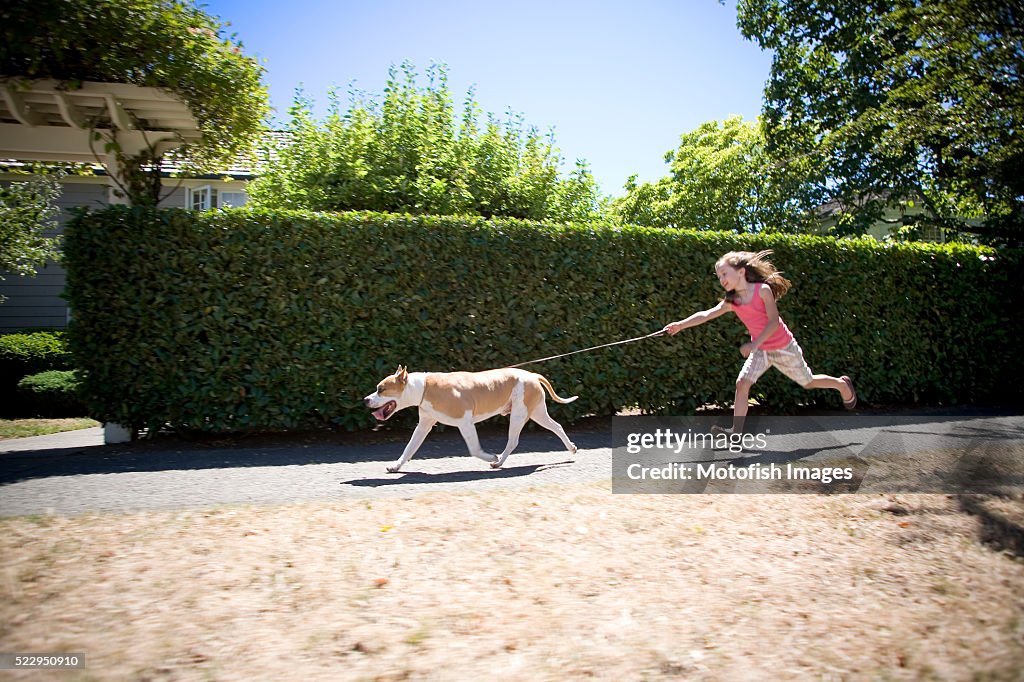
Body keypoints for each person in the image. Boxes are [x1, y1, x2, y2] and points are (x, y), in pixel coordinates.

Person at [663, 249, 856, 434]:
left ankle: (841, 385)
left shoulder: (762, 291)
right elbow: (707, 314)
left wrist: (753, 345)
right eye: (718, 276)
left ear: (741, 272)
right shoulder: (733, 301)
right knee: (742, 383)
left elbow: (773, 322)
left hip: (783, 347)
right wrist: (680, 325)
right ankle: (736, 432)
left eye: (724, 274)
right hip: (761, 351)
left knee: (808, 382)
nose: (721, 280)